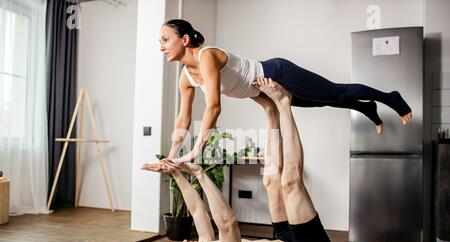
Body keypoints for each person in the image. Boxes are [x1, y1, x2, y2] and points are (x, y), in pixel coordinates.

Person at [142, 79, 331, 242]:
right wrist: (200, 174)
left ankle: (270, 110)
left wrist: (175, 172)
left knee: (270, 181)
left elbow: (196, 210)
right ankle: (283, 102)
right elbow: (228, 223)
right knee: (290, 182)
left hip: (283, 240)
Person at [159, 19, 413, 164]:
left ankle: (390, 97)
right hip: (266, 91)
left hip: (278, 74)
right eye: (159, 41)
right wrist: (171, 155)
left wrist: (196, 150)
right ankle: (366, 107)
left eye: (165, 39)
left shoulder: (207, 57)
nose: (161, 47)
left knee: (336, 92)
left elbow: (214, 106)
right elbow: (184, 118)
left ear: (184, 40)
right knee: (323, 101)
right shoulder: (186, 76)